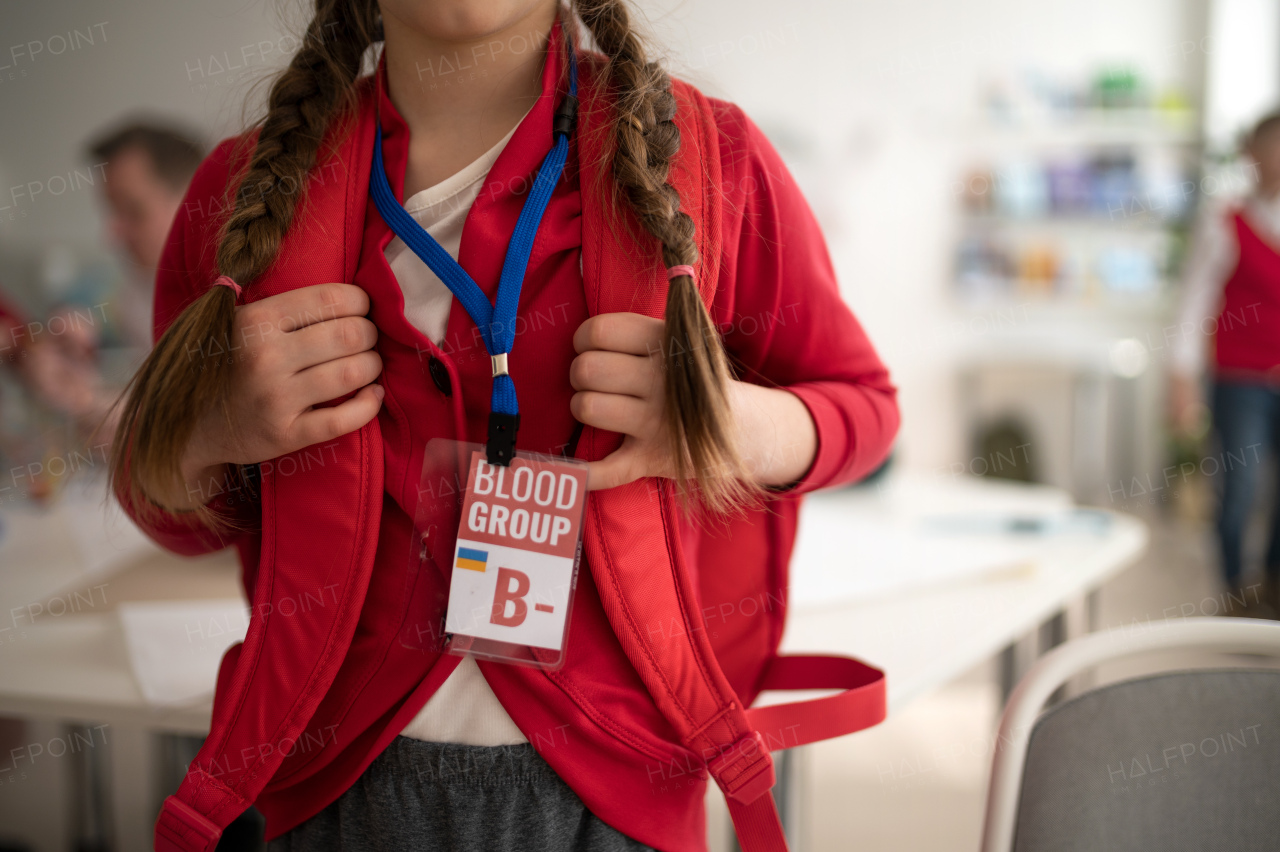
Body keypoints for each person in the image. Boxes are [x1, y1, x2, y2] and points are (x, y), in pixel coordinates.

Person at [110, 2, 899, 850]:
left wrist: (722, 419)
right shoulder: (242, 193)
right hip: (329, 789)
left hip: (621, 790)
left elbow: (864, 408)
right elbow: (164, 505)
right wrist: (210, 434)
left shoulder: (716, 161)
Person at [1172, 110, 1280, 616]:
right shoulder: (1224, 220)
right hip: (1238, 380)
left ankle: (1273, 589)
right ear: (1250, 153)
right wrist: (1181, 378)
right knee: (1238, 488)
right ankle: (1237, 591)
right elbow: (1195, 302)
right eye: (1271, 144)